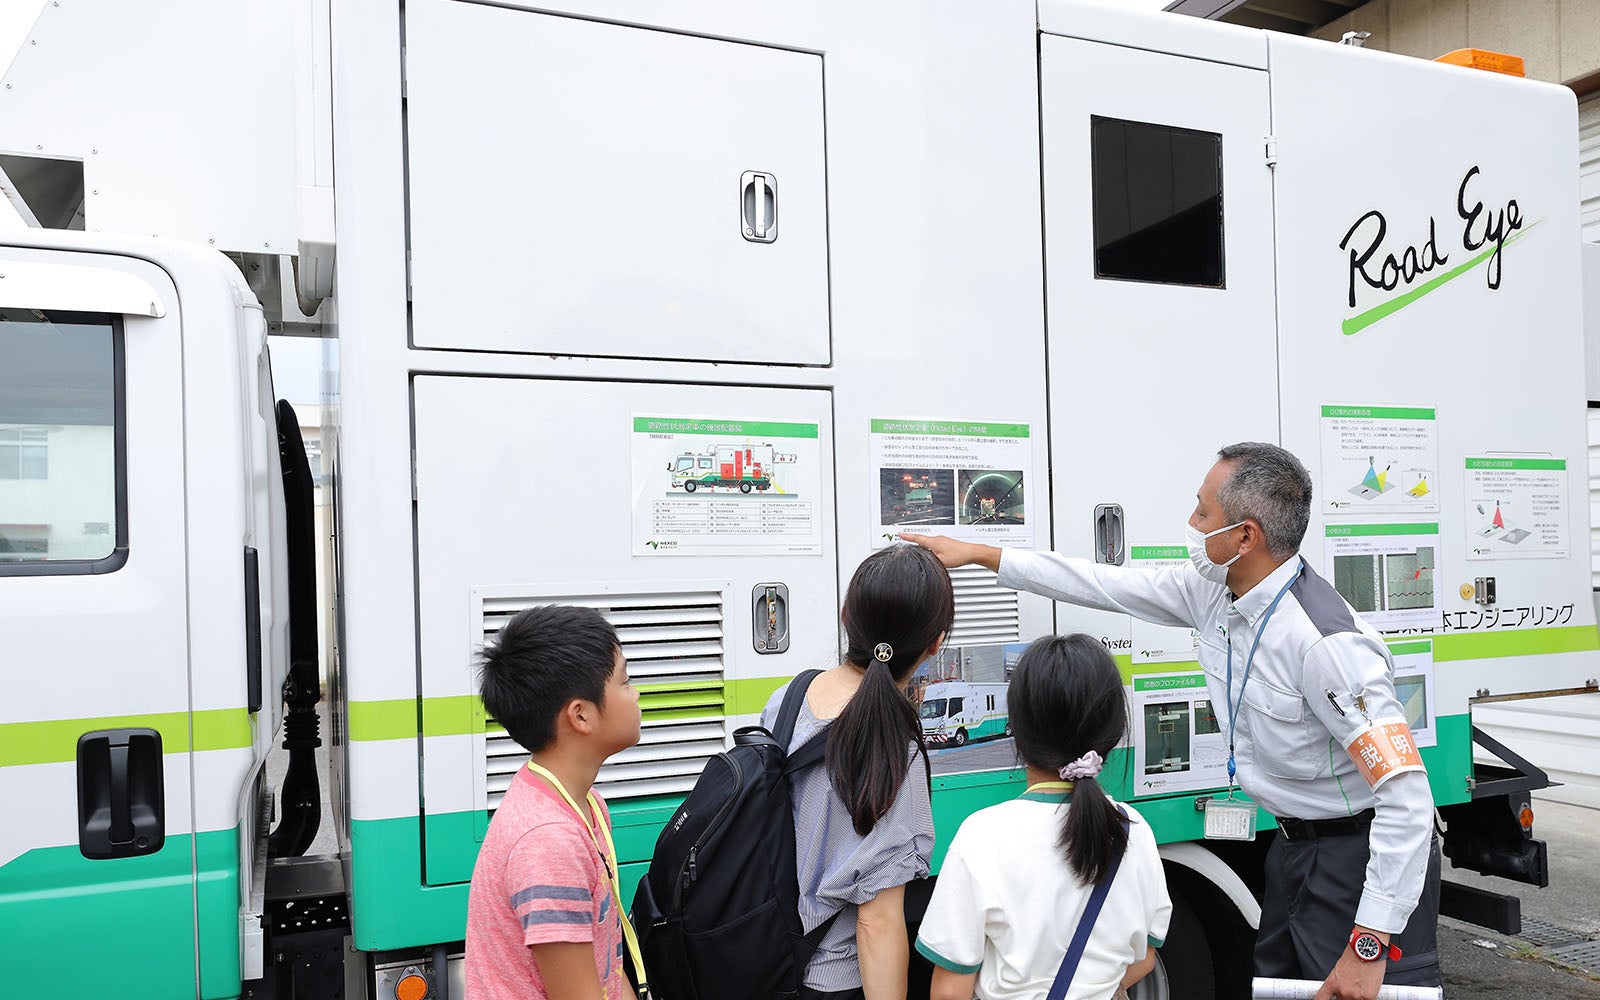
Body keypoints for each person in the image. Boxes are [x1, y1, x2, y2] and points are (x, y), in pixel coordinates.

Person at [904, 442, 1441, 1000]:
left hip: (1354, 859)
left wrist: (1368, 943)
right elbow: (1100, 584)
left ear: (1245, 536)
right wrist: (982, 555)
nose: (1191, 523)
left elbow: (1406, 797)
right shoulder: (1215, 593)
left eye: (1203, 512)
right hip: (1293, 850)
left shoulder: (1326, 646)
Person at [916, 634, 1172, 1000]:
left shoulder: (982, 836)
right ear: (1111, 734)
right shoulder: (1133, 829)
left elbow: (949, 991)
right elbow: (1144, 958)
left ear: (1017, 732)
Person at [759, 544, 950, 1000]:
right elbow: (877, 921)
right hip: (830, 978)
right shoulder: (893, 747)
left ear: (847, 616)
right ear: (936, 643)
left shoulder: (788, 698)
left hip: (767, 955)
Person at [465, 605, 644, 1000]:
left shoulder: (586, 804)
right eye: (625, 681)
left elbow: (607, 968)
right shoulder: (549, 841)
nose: (636, 693)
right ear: (581, 716)